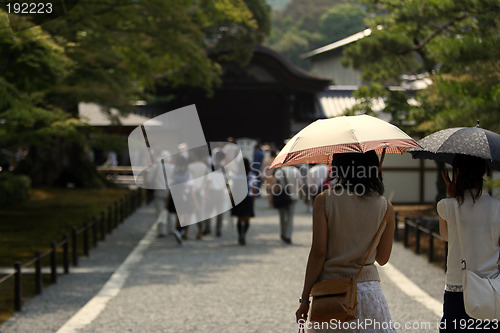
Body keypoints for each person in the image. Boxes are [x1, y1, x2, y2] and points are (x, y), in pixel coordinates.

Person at [295, 151, 396, 332]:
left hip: (331, 293)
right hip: (369, 294)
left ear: (339, 167)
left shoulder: (324, 200)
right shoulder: (386, 206)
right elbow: (382, 259)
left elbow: (319, 253)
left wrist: (304, 299)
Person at [437, 154, 500, 332]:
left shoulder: (446, 206)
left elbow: (446, 236)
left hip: (457, 286)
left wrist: (451, 195)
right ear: (484, 172)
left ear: (456, 172)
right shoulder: (497, 208)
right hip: (491, 288)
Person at [231, 158, 258, 245]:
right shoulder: (252, 176)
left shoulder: (236, 175)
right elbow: (254, 190)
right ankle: (244, 233)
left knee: (239, 218)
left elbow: (233, 189)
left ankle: (240, 234)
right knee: (247, 218)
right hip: (248, 198)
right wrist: (253, 201)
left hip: (238, 198)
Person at [273, 165, 303, 244]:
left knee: (282, 217)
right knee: (290, 217)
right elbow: (300, 184)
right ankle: (288, 235)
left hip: (281, 197)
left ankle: (283, 233)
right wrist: (296, 192)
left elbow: (276, 185)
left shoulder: (279, 172)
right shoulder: (296, 171)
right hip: (293, 197)